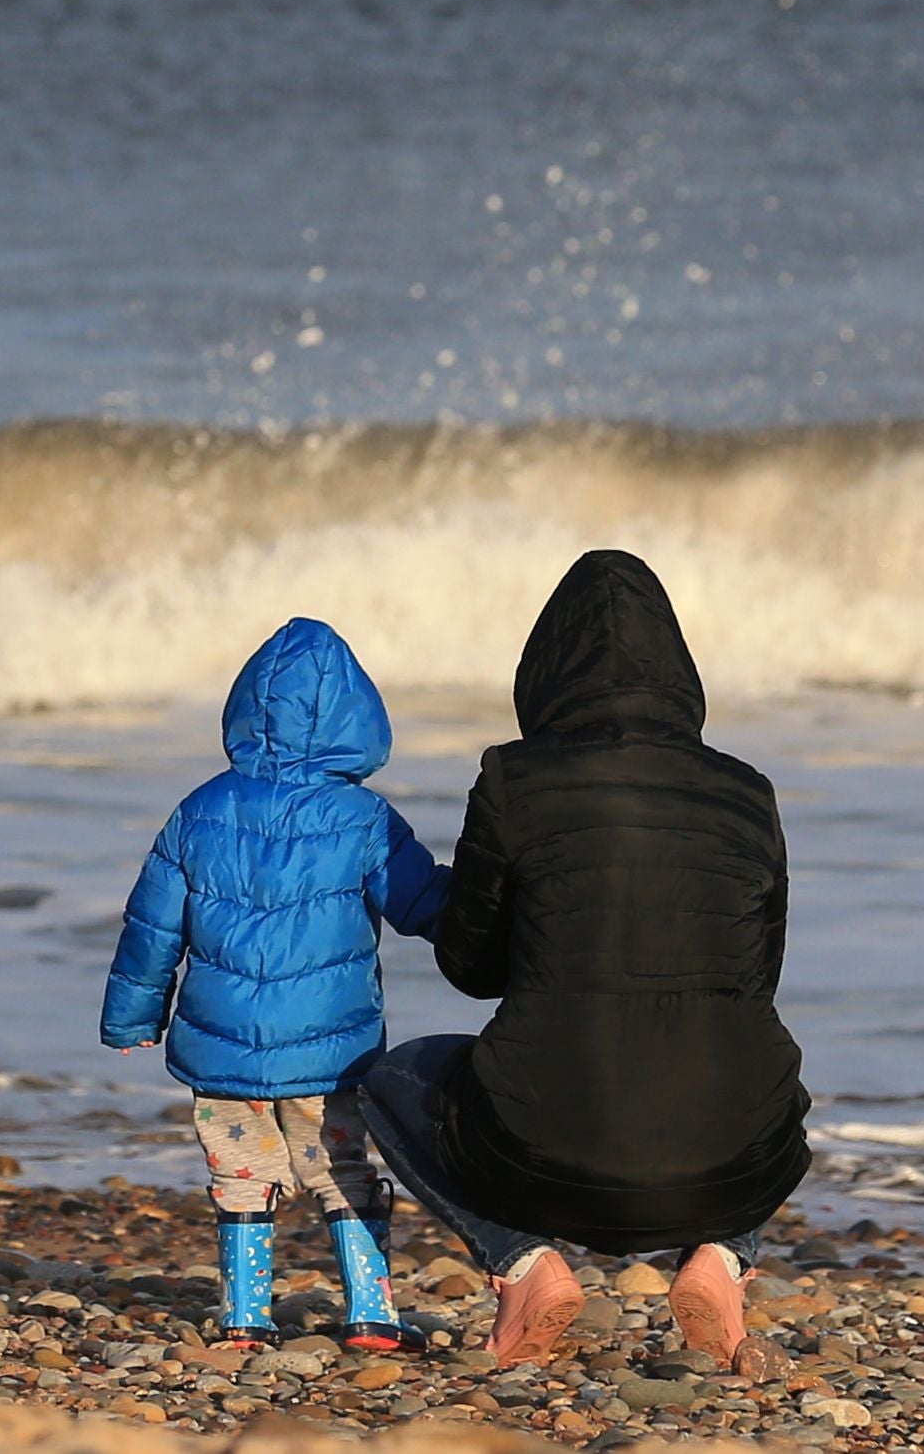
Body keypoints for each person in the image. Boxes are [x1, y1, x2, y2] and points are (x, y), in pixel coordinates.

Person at [346, 548, 808, 1369]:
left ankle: (524, 1261)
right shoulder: (749, 790)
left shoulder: (513, 778)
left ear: (545, 668)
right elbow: (756, 978)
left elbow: (472, 966)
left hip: (538, 1153)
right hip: (725, 1161)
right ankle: (722, 1259)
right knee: (764, 1085)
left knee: (389, 1079)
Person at [101, 615, 451, 1351]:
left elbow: (152, 926)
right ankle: (371, 1312)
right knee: (341, 1170)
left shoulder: (200, 809)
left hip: (221, 1047)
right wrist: (500, 916)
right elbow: (424, 905)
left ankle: (244, 1319)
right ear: (359, 716)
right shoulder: (363, 818)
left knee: (240, 1175)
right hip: (331, 1051)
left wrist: (134, 1016)